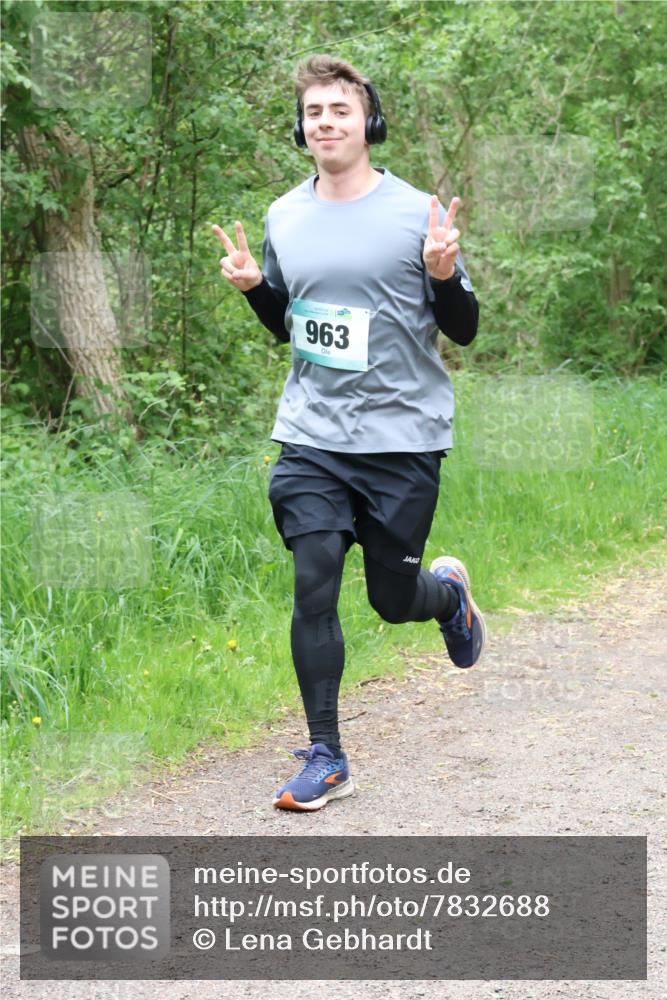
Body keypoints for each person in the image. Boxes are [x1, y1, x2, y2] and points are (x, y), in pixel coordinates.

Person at [212, 54, 486, 813]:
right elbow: (291, 330)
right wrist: (254, 290)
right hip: (311, 434)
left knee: (391, 601)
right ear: (299, 130)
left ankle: (448, 599)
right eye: (312, 113)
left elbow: (461, 329)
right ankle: (327, 754)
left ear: (367, 122)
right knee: (312, 581)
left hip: (401, 436)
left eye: (338, 109)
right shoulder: (283, 215)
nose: (324, 122)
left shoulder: (415, 211)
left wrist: (441, 274)